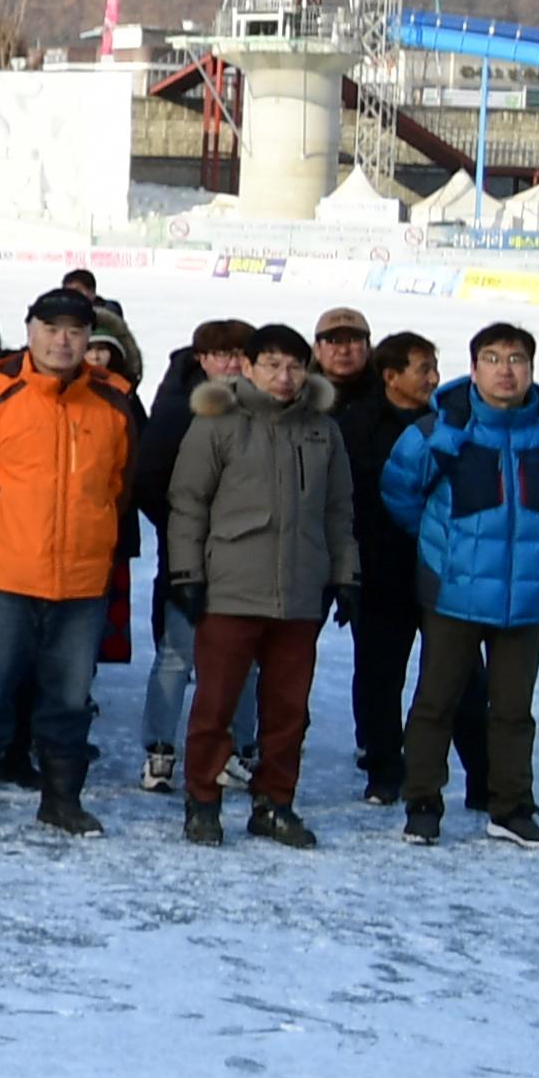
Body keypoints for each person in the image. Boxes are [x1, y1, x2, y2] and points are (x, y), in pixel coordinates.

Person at [0, 288, 142, 836]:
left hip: (81, 579)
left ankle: (61, 801)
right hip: (4, 573)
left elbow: (119, 488)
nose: (62, 340)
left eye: (74, 331)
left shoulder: (113, 404)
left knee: (70, 697)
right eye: (51, 329)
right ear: (29, 332)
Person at [165, 324, 358, 848]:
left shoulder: (322, 429)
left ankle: (275, 803)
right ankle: (203, 801)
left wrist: (345, 575)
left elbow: (338, 510)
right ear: (247, 368)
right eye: (271, 364)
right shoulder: (218, 422)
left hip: (299, 591)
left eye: (294, 365)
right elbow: (187, 503)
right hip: (230, 586)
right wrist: (186, 575)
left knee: (288, 709)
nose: (284, 375)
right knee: (216, 705)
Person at [379, 321, 539, 848]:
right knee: (437, 701)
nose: (507, 371)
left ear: (531, 368)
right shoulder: (442, 429)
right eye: (494, 359)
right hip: (453, 591)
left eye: (517, 360)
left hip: (526, 597)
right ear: (475, 366)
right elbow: (400, 492)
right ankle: (423, 802)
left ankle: (510, 807)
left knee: (512, 711)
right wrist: (443, 550)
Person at [128, 319, 255, 795]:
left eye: (240, 353)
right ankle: (159, 749)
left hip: (248, 558)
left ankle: (243, 750)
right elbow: (151, 479)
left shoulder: (262, 409)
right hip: (189, 553)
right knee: (177, 656)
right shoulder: (179, 408)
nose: (232, 363)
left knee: (245, 658)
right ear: (201, 359)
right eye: (221, 354)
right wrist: (183, 532)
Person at [337, 331, 437, 804]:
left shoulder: (448, 426)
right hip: (378, 571)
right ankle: (383, 769)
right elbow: (343, 501)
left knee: (458, 680)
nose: (432, 378)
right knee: (380, 676)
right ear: (390, 376)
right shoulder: (357, 424)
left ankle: (482, 777)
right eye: (422, 369)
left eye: (434, 368)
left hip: (440, 573)